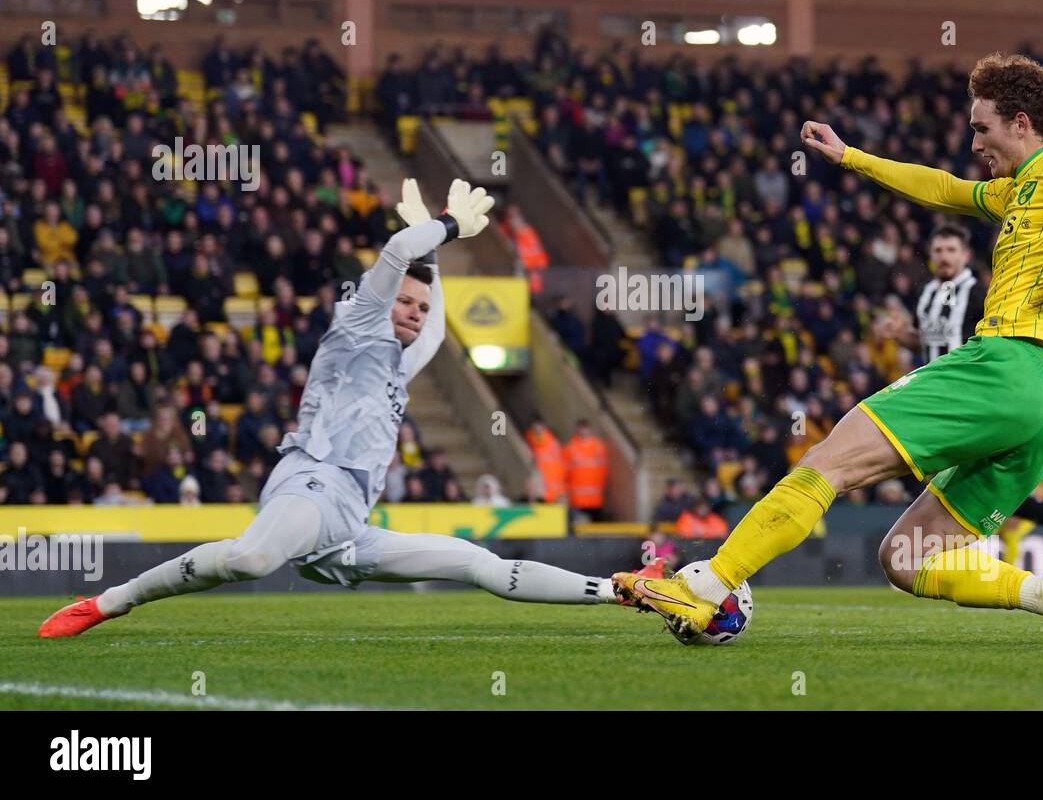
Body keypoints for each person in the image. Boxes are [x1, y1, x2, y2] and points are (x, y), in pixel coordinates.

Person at [615, 53, 1043, 649]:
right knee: (909, 555)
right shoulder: (1021, 189)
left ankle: (705, 588)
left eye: (982, 129)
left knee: (827, 461)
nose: (974, 144)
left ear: (1021, 121)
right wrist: (852, 158)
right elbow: (945, 189)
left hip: (1007, 367)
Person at [41, 179, 624, 638]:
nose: (416, 314)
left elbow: (437, 327)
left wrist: (436, 263)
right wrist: (445, 228)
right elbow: (398, 252)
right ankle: (111, 601)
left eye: (421, 307)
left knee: (478, 565)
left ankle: (622, 590)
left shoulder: (399, 359)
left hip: (349, 526)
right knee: (250, 560)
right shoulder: (358, 323)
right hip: (313, 481)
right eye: (407, 302)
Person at [880, 223, 1043, 570]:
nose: (944, 257)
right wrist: (905, 336)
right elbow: (931, 341)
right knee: (975, 486)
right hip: (937, 396)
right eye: (938, 251)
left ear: (966, 256)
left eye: (951, 251)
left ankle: (941, 558)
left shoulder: (980, 294)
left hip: (975, 397)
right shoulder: (927, 293)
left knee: (943, 476)